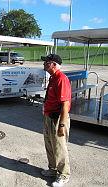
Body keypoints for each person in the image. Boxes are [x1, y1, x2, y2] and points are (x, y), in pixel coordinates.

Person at [41, 54, 71, 187]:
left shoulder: (61, 79)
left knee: (59, 147)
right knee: (49, 144)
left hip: (57, 118)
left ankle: (63, 175)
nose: (44, 64)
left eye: (46, 62)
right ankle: (53, 169)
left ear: (53, 64)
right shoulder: (52, 78)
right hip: (49, 116)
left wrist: (62, 125)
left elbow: (65, 104)